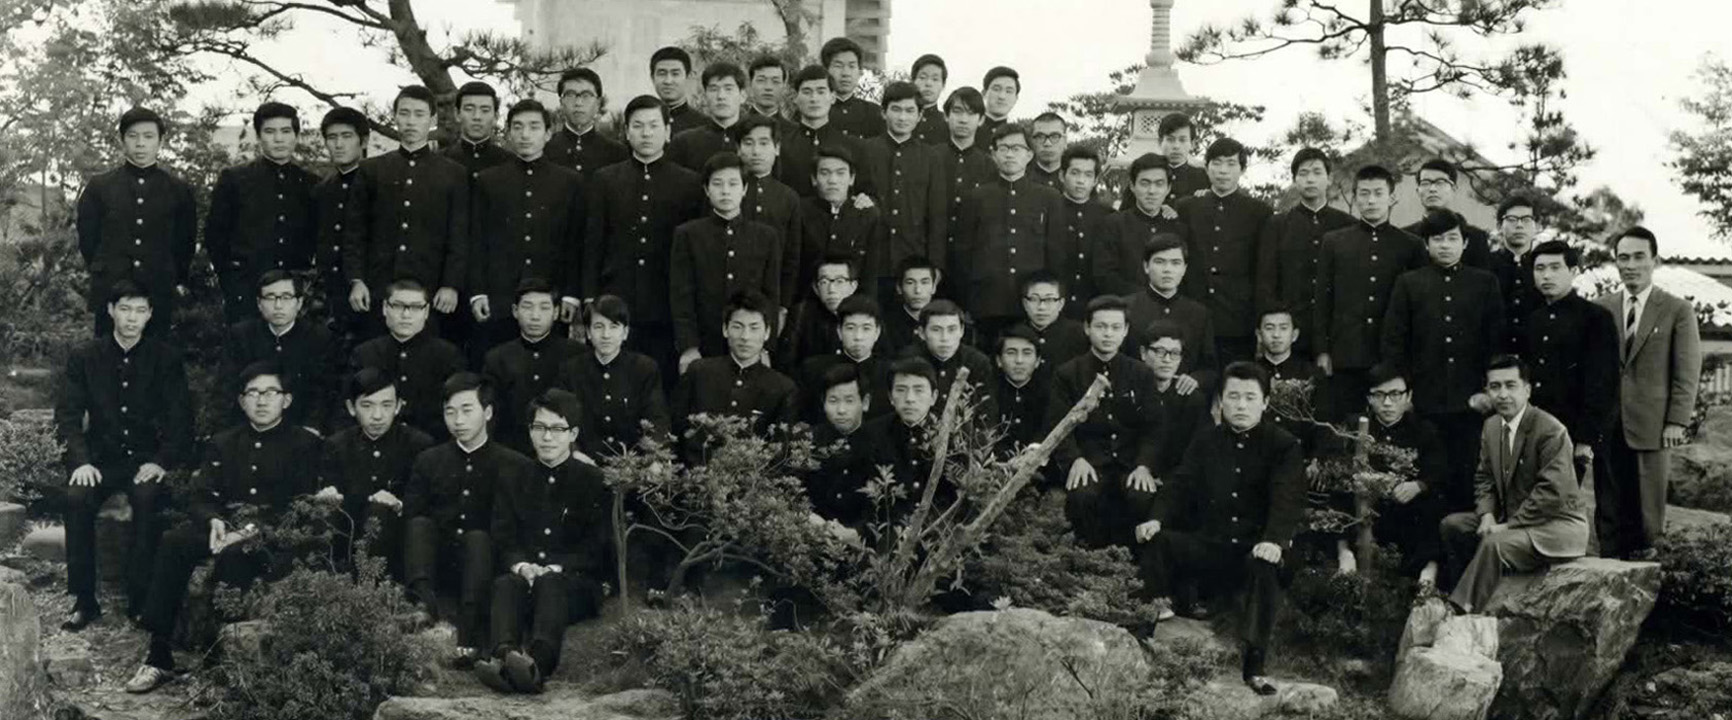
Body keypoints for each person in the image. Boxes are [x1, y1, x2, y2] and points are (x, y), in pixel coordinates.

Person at [124, 362, 323, 694]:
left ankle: (218, 662)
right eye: (253, 393)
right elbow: (200, 494)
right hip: (225, 524)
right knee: (174, 541)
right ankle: (158, 655)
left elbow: (300, 505)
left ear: (286, 400)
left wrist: (249, 530)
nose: (261, 400)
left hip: (275, 534)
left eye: (270, 392)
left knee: (235, 555)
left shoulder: (305, 444)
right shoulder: (224, 441)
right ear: (242, 401)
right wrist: (212, 520)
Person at [1136, 362, 1305, 696]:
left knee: (1264, 564)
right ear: (1221, 401)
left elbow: (1287, 499)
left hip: (1254, 551)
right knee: (1158, 542)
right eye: (1233, 397)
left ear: (1265, 402)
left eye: (1250, 398)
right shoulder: (1206, 440)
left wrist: (1274, 540)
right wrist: (1156, 518)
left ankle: (1255, 665)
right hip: (1212, 547)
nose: (1241, 405)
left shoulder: (1283, 445)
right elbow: (1179, 484)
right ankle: (1140, 638)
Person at [55, 280, 193, 632]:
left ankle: (140, 598)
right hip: (99, 460)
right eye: (125, 309)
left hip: (144, 459)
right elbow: (67, 416)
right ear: (111, 311)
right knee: (76, 498)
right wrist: (81, 461)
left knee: (149, 498)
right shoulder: (85, 356)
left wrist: (161, 461)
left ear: (150, 315)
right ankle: (84, 600)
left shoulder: (165, 358)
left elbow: (180, 420)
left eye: (140, 311)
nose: (132, 318)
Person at [477, 389, 610, 694]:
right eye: (539, 428)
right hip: (526, 579)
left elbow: (596, 547)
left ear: (573, 434)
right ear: (530, 431)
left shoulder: (592, 480)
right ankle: (503, 656)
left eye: (557, 429)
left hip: (573, 584)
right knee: (505, 584)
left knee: (551, 584)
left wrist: (555, 567)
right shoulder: (514, 475)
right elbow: (503, 535)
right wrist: (522, 566)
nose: (547, 437)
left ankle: (537, 666)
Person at [403, 373, 534, 668]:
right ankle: (423, 606)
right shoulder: (429, 460)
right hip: (442, 562)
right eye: (449, 412)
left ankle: (471, 635)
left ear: (487, 412)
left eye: (466, 410)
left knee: (477, 538)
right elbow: (413, 517)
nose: (457, 420)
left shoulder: (514, 464)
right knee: (419, 523)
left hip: (486, 563)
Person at [1438, 355, 1588, 612]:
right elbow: (1484, 478)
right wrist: (1487, 515)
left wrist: (1506, 526)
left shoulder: (1551, 430)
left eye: (1511, 385)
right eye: (1495, 387)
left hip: (1555, 527)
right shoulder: (1491, 426)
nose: (1503, 394)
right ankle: (1467, 594)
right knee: (1453, 526)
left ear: (1527, 390)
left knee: (1495, 544)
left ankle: (1463, 611)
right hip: (1512, 520)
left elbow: (1552, 493)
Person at [1382, 209, 1506, 511]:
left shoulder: (1484, 283)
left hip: (1471, 403)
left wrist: (1488, 392)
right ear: (1426, 244)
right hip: (1424, 401)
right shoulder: (1409, 283)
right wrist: (1404, 394)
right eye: (1437, 239)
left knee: (1468, 474)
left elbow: (1497, 344)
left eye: (1453, 238)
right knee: (1427, 476)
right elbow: (1394, 343)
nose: (1445, 245)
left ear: (1465, 243)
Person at [1593, 226, 1702, 560]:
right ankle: (1608, 568)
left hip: (1653, 424)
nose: (1631, 265)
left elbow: (1687, 370)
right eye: (1623, 258)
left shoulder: (1676, 309)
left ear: (1655, 260)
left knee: (1649, 510)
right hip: (1607, 424)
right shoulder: (1600, 308)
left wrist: (1676, 421)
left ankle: (1651, 569)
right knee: (1608, 504)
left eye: (1639, 257)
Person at [582, 95, 704, 389]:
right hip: (616, 299)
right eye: (638, 126)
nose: (646, 133)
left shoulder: (689, 182)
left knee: (661, 381)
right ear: (626, 132)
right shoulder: (605, 180)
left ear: (668, 131)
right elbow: (593, 243)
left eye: (653, 125)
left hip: (666, 303)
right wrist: (589, 297)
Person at [344, 86, 469, 339]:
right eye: (404, 113)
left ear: (432, 120)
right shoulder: (371, 170)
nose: (411, 121)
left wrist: (451, 285)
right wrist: (356, 280)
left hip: (431, 291)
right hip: (379, 288)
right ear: (395, 117)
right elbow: (355, 232)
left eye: (419, 114)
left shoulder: (453, 173)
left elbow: (459, 236)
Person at [468, 99, 587, 354]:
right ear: (508, 132)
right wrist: (477, 292)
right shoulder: (488, 181)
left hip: (549, 299)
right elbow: (476, 240)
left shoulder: (570, 182)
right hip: (499, 297)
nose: (525, 135)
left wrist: (570, 295)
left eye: (534, 127)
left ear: (548, 133)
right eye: (518, 127)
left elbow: (576, 243)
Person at [1048, 295, 1163, 550]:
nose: (1108, 334)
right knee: (1082, 496)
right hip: (1089, 463)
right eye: (1100, 326)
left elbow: (1154, 427)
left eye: (1115, 327)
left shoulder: (1141, 373)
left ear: (1126, 330)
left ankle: (1132, 565)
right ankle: (1089, 562)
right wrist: (1075, 459)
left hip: (1129, 464)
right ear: (1087, 328)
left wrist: (1144, 465)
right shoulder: (1068, 373)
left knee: (1142, 496)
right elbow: (1058, 425)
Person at [1314, 164, 1427, 421]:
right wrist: (1322, 350)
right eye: (1364, 193)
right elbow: (1323, 299)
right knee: (1346, 422)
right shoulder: (1334, 242)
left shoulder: (1411, 245)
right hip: (1346, 353)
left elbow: (1418, 306)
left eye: (1378, 193)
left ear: (1392, 197)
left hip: (1392, 355)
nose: (1371, 200)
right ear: (1355, 197)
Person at [76, 107, 196, 337]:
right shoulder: (100, 187)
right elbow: (88, 240)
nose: (140, 144)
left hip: (157, 288)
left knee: (155, 352)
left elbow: (184, 243)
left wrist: (173, 277)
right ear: (122, 140)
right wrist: (107, 270)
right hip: (111, 287)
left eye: (148, 136)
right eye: (133, 136)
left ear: (161, 141)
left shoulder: (178, 190)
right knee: (107, 350)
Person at [1330, 365, 1447, 585]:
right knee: (1338, 494)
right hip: (1366, 508)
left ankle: (1428, 571)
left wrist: (1418, 485)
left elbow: (1438, 469)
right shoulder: (1353, 428)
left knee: (1432, 502)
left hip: (1405, 509)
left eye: (1395, 394)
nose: (1387, 403)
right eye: (1379, 395)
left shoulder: (1424, 430)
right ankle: (1345, 554)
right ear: (1369, 398)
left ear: (1408, 397)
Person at [206, 101, 319, 324]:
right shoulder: (235, 179)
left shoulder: (311, 184)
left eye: (285, 131)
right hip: (247, 292)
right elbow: (215, 237)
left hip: (295, 295)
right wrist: (232, 285)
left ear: (296, 136)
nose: (278, 139)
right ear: (258, 136)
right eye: (270, 131)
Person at [317, 368, 435, 579]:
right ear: (351, 408)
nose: (377, 415)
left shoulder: (419, 444)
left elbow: (424, 504)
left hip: (396, 544)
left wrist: (398, 505)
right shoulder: (336, 445)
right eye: (367, 406)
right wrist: (329, 496)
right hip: (349, 539)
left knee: (381, 511)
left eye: (386, 405)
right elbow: (332, 491)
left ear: (398, 406)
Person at [953, 124, 1066, 343]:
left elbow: (1056, 254)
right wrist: (968, 301)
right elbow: (963, 253)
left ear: (1029, 155)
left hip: (1033, 303)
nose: (1009, 154)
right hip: (987, 302)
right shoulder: (976, 198)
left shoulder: (1049, 198)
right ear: (993, 154)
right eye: (1003, 148)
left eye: (1016, 148)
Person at [1519, 241, 1618, 484]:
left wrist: (1586, 438)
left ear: (1573, 271)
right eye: (1540, 268)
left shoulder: (1595, 318)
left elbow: (1602, 382)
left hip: (1570, 431)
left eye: (1555, 267)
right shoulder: (1531, 319)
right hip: (1529, 428)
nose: (1546, 275)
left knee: (1558, 498)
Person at [672, 152, 784, 366]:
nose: (725, 191)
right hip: (705, 343)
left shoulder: (766, 236)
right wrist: (689, 347)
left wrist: (765, 347)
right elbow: (681, 296)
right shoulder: (688, 235)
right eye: (717, 184)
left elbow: (771, 295)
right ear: (707, 190)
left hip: (749, 343)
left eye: (733, 184)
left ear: (744, 189)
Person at [1175, 138, 1274, 363]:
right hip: (1192, 315)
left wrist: (1259, 319)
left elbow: (1264, 270)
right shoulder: (1187, 207)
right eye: (1217, 163)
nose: (1223, 171)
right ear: (1206, 167)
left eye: (1231, 164)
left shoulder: (1259, 212)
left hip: (1238, 319)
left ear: (1242, 169)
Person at [671, 290, 798, 457]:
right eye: (737, 327)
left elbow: (779, 451)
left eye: (754, 328)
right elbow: (675, 428)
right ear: (725, 329)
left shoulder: (782, 388)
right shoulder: (699, 372)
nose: (745, 337)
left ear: (767, 333)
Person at [1255, 147, 1355, 356]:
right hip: (1290, 333)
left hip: (1337, 331)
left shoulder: (1348, 224)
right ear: (1294, 180)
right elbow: (1266, 281)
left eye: (1317, 172)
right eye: (1303, 173)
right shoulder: (1277, 225)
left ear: (1329, 179)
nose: (1310, 179)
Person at [348, 278, 467, 440]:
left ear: (426, 312)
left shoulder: (448, 355)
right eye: (398, 306)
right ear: (385, 308)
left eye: (416, 307)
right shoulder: (364, 353)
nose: (406, 314)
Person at [222, 270, 339, 433]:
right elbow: (227, 388)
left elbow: (323, 389)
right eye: (270, 298)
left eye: (286, 297)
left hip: (300, 426)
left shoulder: (318, 337)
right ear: (259, 303)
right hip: (251, 427)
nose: (278, 306)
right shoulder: (241, 335)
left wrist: (312, 426)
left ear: (299, 303)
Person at [557, 295, 672, 460]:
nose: (606, 335)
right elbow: (561, 421)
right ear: (588, 332)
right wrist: (574, 453)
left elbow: (658, 420)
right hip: (584, 463)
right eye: (598, 327)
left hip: (633, 464)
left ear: (625, 332)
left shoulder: (644, 369)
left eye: (614, 326)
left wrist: (652, 458)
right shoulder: (571, 371)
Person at [861, 80, 947, 299]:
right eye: (896, 109)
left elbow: (937, 215)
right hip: (872, 258)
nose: (902, 117)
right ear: (883, 112)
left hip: (914, 260)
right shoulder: (865, 150)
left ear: (920, 116)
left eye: (910, 111)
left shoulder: (931, 157)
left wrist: (935, 264)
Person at [482, 279, 582, 453]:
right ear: (515, 311)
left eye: (544, 308)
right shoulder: (497, 358)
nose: (535, 316)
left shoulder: (575, 354)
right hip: (512, 451)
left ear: (556, 312)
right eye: (527, 307)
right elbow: (491, 416)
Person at [1126, 234, 1218, 392]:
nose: (1167, 270)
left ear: (1184, 269)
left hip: (1182, 398)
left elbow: (1210, 369)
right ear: (1146, 266)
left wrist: (1195, 380)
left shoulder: (1199, 313)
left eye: (1175, 263)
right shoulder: (1127, 308)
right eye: (1160, 262)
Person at [734, 114, 805, 312]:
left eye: (764, 143)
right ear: (738, 148)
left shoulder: (788, 197)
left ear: (777, 148)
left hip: (772, 294)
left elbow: (792, 257)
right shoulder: (728, 191)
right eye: (748, 143)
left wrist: (783, 306)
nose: (756, 151)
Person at [798, 144, 884, 294]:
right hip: (808, 298)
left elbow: (871, 272)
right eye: (825, 173)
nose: (832, 180)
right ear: (814, 179)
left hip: (854, 300)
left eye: (840, 173)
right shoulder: (800, 211)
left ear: (852, 178)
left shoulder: (866, 215)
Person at [314, 107, 371, 336]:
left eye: (347, 136)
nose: (338, 144)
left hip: (369, 292)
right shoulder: (323, 188)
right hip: (333, 293)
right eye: (332, 138)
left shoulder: (378, 183)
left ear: (363, 141)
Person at [1097, 154, 1187, 297]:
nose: (1152, 191)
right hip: (1126, 305)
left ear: (1168, 188)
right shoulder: (1113, 224)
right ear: (1132, 186)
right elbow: (1105, 276)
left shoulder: (1178, 228)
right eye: (1145, 183)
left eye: (1159, 184)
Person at [797, 294, 893, 424]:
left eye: (866, 328)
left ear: (877, 333)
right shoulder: (814, 370)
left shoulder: (889, 373)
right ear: (839, 332)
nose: (858, 337)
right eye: (850, 328)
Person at [777, 65, 865, 199]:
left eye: (821, 91)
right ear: (795, 98)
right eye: (807, 92)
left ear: (833, 97)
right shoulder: (781, 145)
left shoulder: (852, 146)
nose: (814, 98)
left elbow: (866, 194)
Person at [807, 364, 878, 528]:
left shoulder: (879, 442)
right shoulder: (809, 440)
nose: (841, 410)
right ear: (823, 403)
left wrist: (856, 533)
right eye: (833, 401)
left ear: (865, 403)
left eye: (849, 401)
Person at [1140, 321, 1212, 476]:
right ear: (1143, 353)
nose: (1167, 360)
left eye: (1174, 353)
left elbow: (1199, 449)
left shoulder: (1192, 399)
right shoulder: (1131, 392)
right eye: (1160, 351)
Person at [902, 299, 996, 414]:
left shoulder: (977, 362)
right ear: (922, 333)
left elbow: (987, 411)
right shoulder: (907, 361)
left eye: (952, 330)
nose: (944, 338)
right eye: (936, 330)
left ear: (962, 331)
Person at [937, 87, 995, 261]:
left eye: (971, 114)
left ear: (981, 120)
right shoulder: (930, 157)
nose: (963, 119)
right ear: (946, 116)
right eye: (957, 111)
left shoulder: (989, 165)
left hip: (974, 257)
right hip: (934, 254)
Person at [1403, 159, 1492, 269]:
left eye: (1440, 183)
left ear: (1454, 189)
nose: (1432, 189)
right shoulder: (1404, 237)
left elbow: (1482, 277)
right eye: (1425, 183)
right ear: (1418, 190)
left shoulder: (1475, 237)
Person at [1054, 146, 1112, 314]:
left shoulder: (1108, 216)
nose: (1081, 181)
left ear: (1095, 180)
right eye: (1075, 173)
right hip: (1056, 305)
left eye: (1088, 175)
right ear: (1062, 175)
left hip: (1095, 306)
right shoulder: (1049, 210)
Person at [1488, 194, 1548, 350]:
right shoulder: (1485, 265)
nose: (1519, 225)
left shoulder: (1546, 267)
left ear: (1537, 226)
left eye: (1526, 219)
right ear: (1499, 226)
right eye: (1512, 219)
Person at [545, 68, 629, 178]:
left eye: (586, 95)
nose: (578, 103)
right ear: (561, 103)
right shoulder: (544, 149)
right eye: (570, 95)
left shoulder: (617, 153)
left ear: (598, 103)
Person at [783, 254, 865, 366]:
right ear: (816, 288)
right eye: (824, 282)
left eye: (839, 281)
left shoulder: (866, 315)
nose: (831, 289)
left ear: (853, 286)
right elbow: (786, 363)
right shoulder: (801, 314)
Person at [985, 324, 1052, 459]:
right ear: (999, 360)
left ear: (1038, 361)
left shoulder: (1050, 393)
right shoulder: (988, 393)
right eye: (1011, 353)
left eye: (1027, 353)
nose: (1019, 361)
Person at [668, 61, 747, 170]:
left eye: (728, 89)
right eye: (714, 89)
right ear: (705, 97)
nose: (721, 96)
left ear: (743, 96)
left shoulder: (756, 138)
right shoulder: (684, 142)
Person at [1009, 270, 1087, 368]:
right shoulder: (1012, 334)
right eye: (1034, 299)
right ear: (1025, 303)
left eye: (1049, 299)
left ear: (1061, 304)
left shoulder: (1081, 335)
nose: (1041, 307)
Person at [444, 81, 513, 181]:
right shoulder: (439, 162)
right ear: (457, 114)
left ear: (495, 117)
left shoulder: (511, 163)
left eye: (485, 110)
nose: (477, 117)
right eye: (469, 109)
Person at [822, 37, 885, 139]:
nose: (846, 73)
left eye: (851, 66)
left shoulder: (874, 113)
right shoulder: (814, 110)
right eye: (838, 66)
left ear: (860, 72)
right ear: (825, 70)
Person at [882, 255, 942, 355]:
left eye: (924, 282)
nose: (918, 290)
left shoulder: (944, 322)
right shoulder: (886, 327)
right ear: (899, 288)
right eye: (910, 283)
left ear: (933, 287)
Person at [650, 46, 705, 134]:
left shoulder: (704, 125)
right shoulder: (641, 122)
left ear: (688, 77)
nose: (668, 81)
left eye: (675, 74)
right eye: (662, 74)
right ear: (652, 78)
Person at [1156, 114, 1210, 200]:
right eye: (1170, 139)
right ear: (1160, 142)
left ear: (1192, 144)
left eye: (1182, 140)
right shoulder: (1147, 174)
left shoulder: (1204, 177)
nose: (1176, 146)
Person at [910, 54, 950, 145]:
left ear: (943, 85)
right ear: (913, 81)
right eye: (922, 78)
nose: (928, 83)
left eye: (935, 79)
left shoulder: (948, 124)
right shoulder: (900, 119)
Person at [975, 66, 1020, 147]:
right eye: (996, 89)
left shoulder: (1019, 138)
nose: (1002, 96)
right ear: (984, 93)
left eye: (1008, 91)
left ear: (1016, 99)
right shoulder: (970, 130)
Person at [1026, 113, 1068, 191]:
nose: (1047, 143)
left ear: (1065, 141)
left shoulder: (1076, 177)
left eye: (1054, 136)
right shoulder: (1020, 176)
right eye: (1040, 137)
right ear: (1032, 141)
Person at [746, 55, 788, 119]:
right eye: (761, 80)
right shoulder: (736, 125)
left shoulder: (792, 126)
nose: (768, 87)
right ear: (750, 85)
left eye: (775, 81)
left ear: (784, 87)